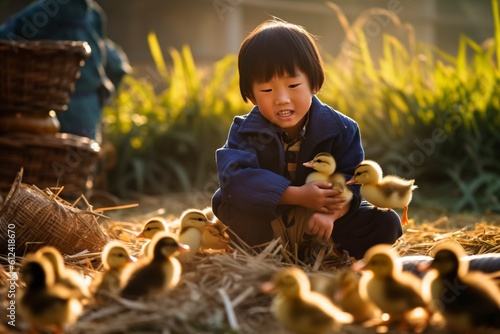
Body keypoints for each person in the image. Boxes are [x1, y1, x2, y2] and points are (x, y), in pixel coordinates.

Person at [211, 19, 402, 261]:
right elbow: (235, 179)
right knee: (227, 204)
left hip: (319, 222)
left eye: (293, 85)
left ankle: (324, 250)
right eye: (267, 90)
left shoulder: (342, 128)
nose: (282, 98)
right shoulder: (244, 130)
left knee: (384, 222)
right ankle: (268, 253)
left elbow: (350, 180)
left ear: (313, 82)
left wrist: (331, 215)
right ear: (250, 94)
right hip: (269, 221)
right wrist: (297, 194)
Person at [0, 0, 130, 141]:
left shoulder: (47, 9)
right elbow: (116, 65)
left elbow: (8, 35)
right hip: (88, 113)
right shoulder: (93, 13)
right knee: (84, 157)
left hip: (50, 112)